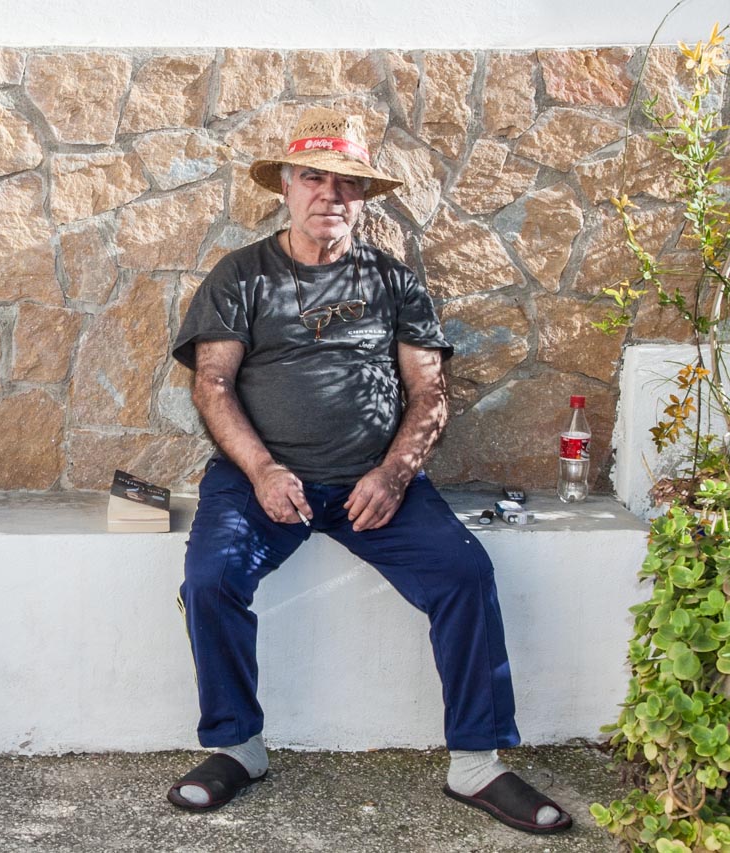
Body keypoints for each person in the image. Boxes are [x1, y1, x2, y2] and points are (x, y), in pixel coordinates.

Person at [166, 107, 571, 835]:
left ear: (363, 199)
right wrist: (262, 469)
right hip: (260, 479)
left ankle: (477, 762)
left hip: (372, 482)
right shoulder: (240, 275)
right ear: (286, 186)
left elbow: (429, 393)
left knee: (464, 573)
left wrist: (394, 474)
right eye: (313, 177)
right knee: (210, 578)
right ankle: (237, 746)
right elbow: (213, 385)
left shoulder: (394, 281)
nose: (329, 194)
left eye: (346, 183)